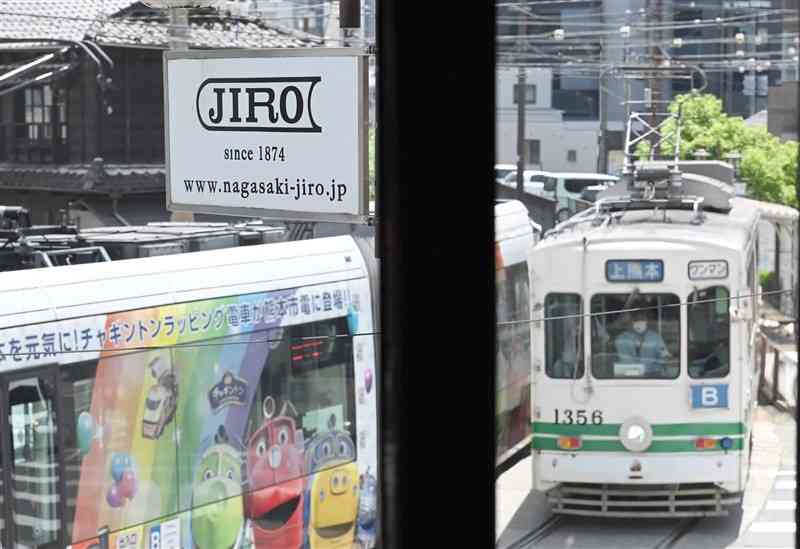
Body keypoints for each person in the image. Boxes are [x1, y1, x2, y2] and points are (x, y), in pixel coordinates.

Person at [614, 308, 671, 377]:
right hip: (629, 376)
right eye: (636, 320)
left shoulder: (655, 337)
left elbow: (664, 355)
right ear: (630, 322)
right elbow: (625, 360)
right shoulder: (621, 339)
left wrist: (666, 357)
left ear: (647, 321)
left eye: (642, 320)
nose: (639, 322)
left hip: (652, 375)